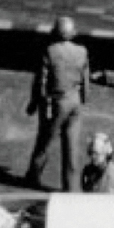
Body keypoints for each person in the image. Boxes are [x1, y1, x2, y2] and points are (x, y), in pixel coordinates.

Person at [26, 14, 89, 191]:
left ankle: (33, 175)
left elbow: (41, 81)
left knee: (44, 142)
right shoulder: (82, 51)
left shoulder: (50, 51)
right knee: (71, 147)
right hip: (75, 101)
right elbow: (85, 80)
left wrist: (34, 103)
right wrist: (83, 98)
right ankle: (71, 188)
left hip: (55, 103)